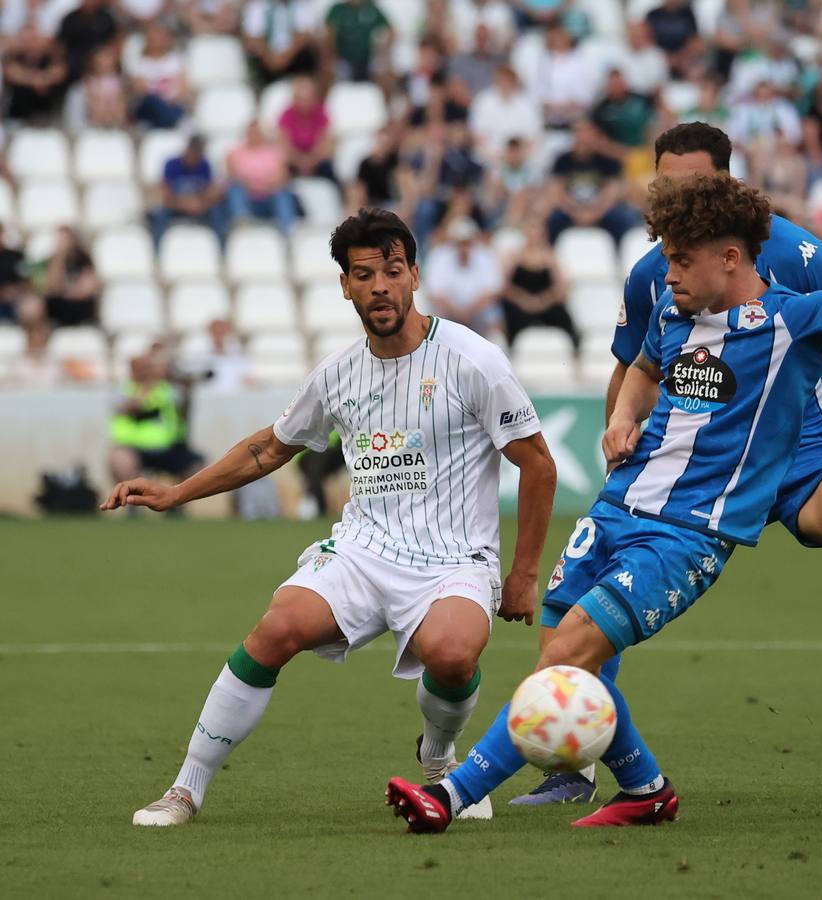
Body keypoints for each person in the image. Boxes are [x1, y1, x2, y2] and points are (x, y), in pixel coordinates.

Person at [384, 172, 822, 833]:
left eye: (679, 259)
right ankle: (645, 789)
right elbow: (642, 368)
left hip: (684, 536)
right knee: (562, 644)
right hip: (615, 508)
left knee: (567, 655)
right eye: (664, 256)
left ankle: (451, 794)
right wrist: (621, 417)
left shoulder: (789, 320)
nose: (665, 274)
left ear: (730, 258)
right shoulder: (672, 314)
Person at [515, 121, 822, 806]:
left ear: (725, 185)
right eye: (665, 184)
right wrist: (620, 429)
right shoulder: (656, 271)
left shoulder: (796, 253)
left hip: (807, 446)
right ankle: (576, 760)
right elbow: (634, 365)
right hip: (706, 457)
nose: (675, 198)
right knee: (601, 584)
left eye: (692, 185)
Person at [106, 208, 558, 828]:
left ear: (414, 276)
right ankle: (184, 789)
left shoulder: (474, 360)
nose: (379, 286)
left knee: (452, 655)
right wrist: (176, 493)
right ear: (344, 285)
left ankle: (440, 757)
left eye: (391, 271)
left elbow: (538, 465)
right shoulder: (338, 372)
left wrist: (525, 573)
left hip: (454, 559)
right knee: (274, 630)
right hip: (363, 550)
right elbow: (271, 448)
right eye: (364, 274)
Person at [107, 352, 204, 491]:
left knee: (197, 465)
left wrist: (184, 382)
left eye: (148, 368)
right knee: (118, 459)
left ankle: (177, 498)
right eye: (141, 368)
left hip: (168, 448)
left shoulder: (167, 390)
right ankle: (130, 499)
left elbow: (184, 403)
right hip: (134, 449)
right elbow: (129, 406)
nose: (145, 372)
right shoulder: (123, 390)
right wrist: (147, 390)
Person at [545, 120, 642, 246]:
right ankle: (550, 252)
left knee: (623, 219)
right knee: (552, 219)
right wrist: (575, 212)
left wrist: (594, 213)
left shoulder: (608, 161)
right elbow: (556, 191)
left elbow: (612, 192)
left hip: (601, 209)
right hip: (571, 209)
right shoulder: (562, 160)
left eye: (586, 133)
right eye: (579, 133)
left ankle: (620, 254)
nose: (583, 137)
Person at [499, 221, 578, 356]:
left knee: (562, 316)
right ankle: (510, 353)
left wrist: (543, 301)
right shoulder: (513, 256)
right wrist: (524, 300)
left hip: (546, 305)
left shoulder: (551, 257)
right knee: (508, 316)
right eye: (530, 230)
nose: (533, 235)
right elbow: (504, 287)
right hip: (519, 305)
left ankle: (574, 352)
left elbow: (561, 288)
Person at [421, 217, 504, 340]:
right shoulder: (439, 255)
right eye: (460, 242)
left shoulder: (485, 256)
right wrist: (457, 311)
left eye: (467, 242)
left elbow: (493, 292)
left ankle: (498, 350)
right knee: (433, 315)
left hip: (478, 312)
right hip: (448, 312)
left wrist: (470, 311)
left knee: (494, 316)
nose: (463, 247)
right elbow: (435, 293)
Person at [151, 135, 229, 246]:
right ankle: (156, 248)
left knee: (218, 213)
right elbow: (164, 192)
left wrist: (200, 203)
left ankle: (222, 248)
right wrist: (184, 204)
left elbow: (212, 191)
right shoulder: (171, 164)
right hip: (176, 206)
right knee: (160, 215)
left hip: (198, 206)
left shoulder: (204, 165)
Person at [226, 121, 300, 236]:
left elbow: (282, 176)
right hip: (248, 196)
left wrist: (257, 182)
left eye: (257, 132)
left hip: (269, 195)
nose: (254, 135)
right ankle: (242, 220)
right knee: (235, 189)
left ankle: (288, 231)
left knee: (282, 193)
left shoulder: (275, 152)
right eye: (251, 132)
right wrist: (259, 182)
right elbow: (233, 175)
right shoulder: (235, 153)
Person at [277, 75, 336, 183]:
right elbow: (284, 145)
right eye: (301, 98)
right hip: (293, 161)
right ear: (294, 99)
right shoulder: (286, 115)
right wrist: (300, 162)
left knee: (330, 170)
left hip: (317, 161)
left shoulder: (322, 113)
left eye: (308, 98)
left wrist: (310, 161)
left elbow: (326, 143)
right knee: (280, 171)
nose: (305, 102)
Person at [41, 227, 101, 328]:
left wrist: (69, 292)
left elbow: (88, 288)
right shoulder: (53, 260)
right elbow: (54, 287)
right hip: (61, 306)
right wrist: (60, 258)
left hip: (79, 305)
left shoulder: (84, 258)